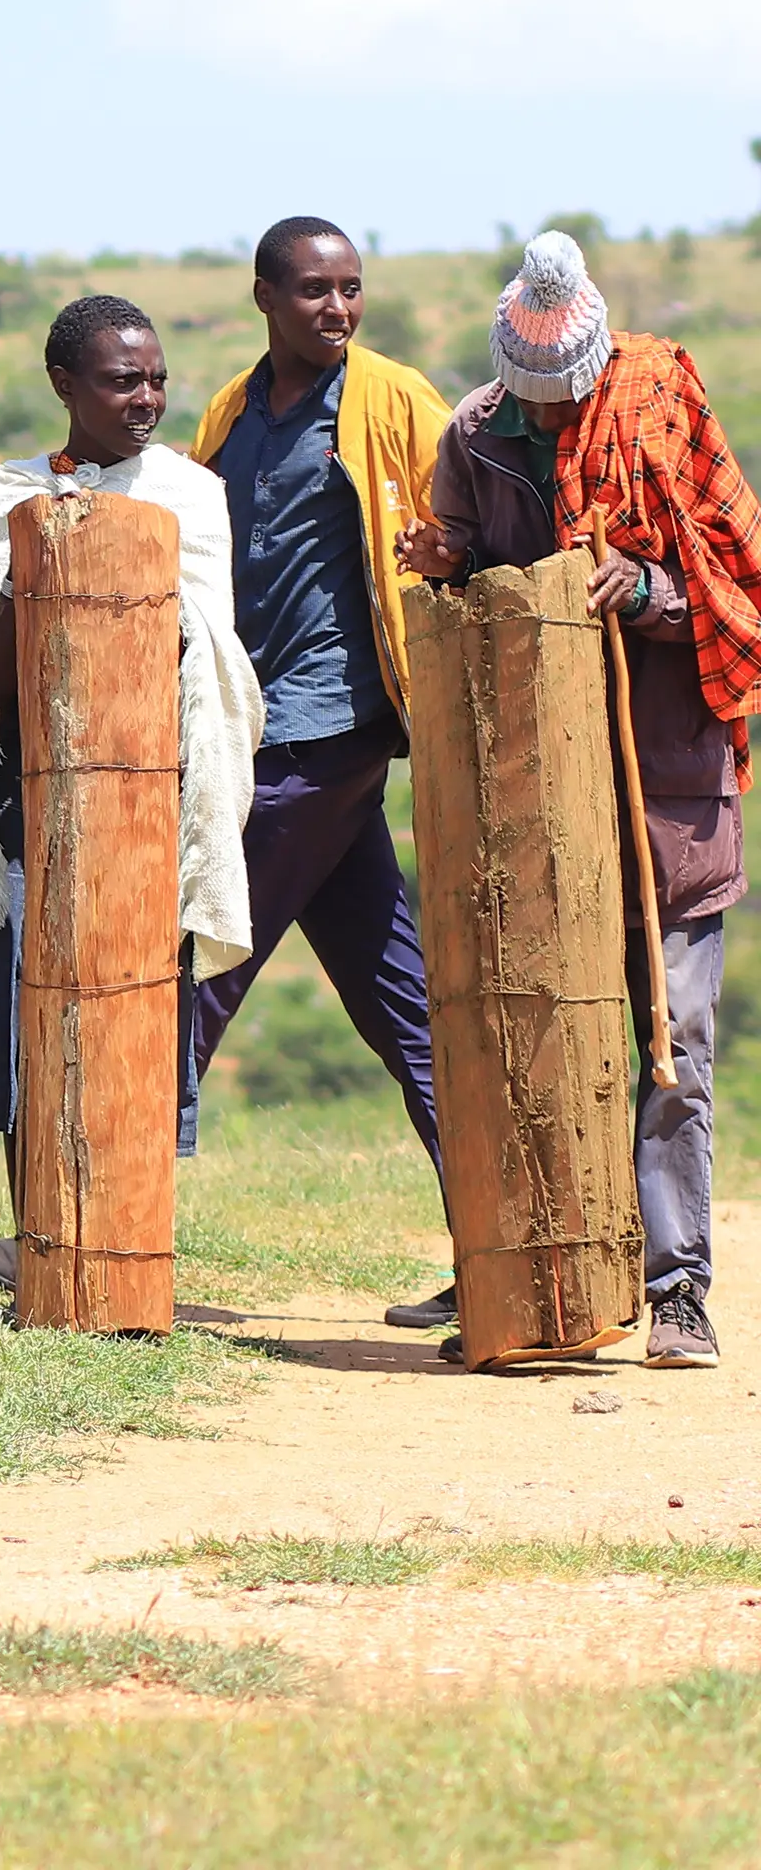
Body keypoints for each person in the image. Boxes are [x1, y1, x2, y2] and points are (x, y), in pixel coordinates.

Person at [406, 231, 750, 1370]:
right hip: (537, 808)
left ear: (597, 369)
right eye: (533, 401)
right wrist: (440, 556)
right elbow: (457, 568)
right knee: (534, 1028)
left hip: (665, 789)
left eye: (568, 399)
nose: (555, 424)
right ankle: (534, 1274)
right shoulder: (475, 436)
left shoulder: (659, 405)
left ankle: (677, 1287)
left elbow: (738, 580)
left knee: (673, 1041)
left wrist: (646, 588)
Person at [0, 296, 261, 1293]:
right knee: (31, 1022)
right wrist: (48, 557)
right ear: (65, 385)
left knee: (129, 1025)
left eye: (154, 377)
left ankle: (127, 1238)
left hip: (147, 805)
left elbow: (208, 652)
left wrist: (124, 564)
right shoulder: (6, 495)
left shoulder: (191, 497)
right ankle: (40, 1241)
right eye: (119, 379)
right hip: (36, 801)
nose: (144, 397)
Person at [183, 216, 455, 1329]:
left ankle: (100, 1227)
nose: (337, 310)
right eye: (314, 291)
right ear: (264, 296)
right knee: (410, 1010)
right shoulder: (231, 416)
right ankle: (503, 1241)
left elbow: (477, 512)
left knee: (191, 960)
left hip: (332, 728)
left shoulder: (391, 401)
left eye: (351, 290)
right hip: (250, 729)